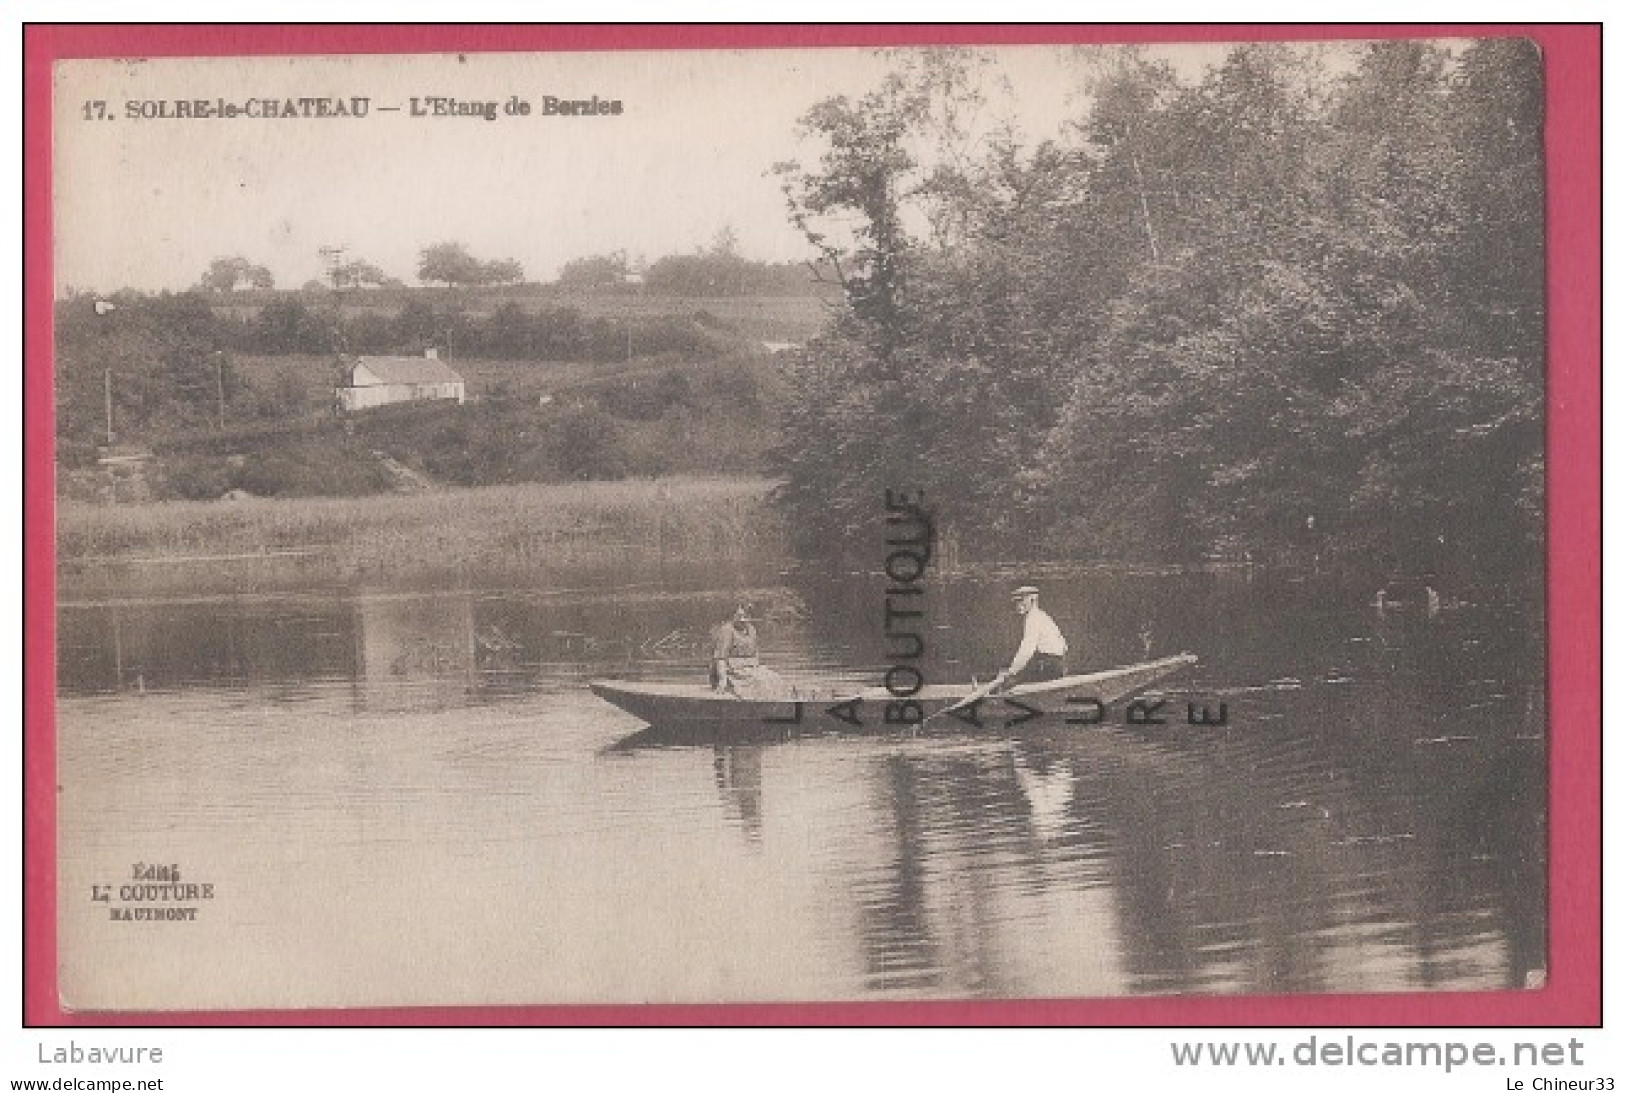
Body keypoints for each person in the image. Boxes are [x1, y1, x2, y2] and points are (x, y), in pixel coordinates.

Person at [992, 585, 1069, 691]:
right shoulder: (1043, 616)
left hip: (1048, 666)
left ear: (1033, 600)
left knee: (1008, 681)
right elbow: (1064, 646)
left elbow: (1027, 650)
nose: (1018, 605)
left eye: (1021, 601)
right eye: (1016, 602)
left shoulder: (1033, 619)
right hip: (1058, 665)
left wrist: (1012, 671)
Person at [710, 602, 786, 699]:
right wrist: (722, 680)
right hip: (730, 671)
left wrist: (758, 668)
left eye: (745, 616)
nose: (742, 619)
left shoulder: (751, 629)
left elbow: (755, 652)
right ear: (733, 616)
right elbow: (720, 658)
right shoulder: (727, 630)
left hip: (750, 668)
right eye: (739, 616)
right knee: (759, 682)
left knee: (775, 678)